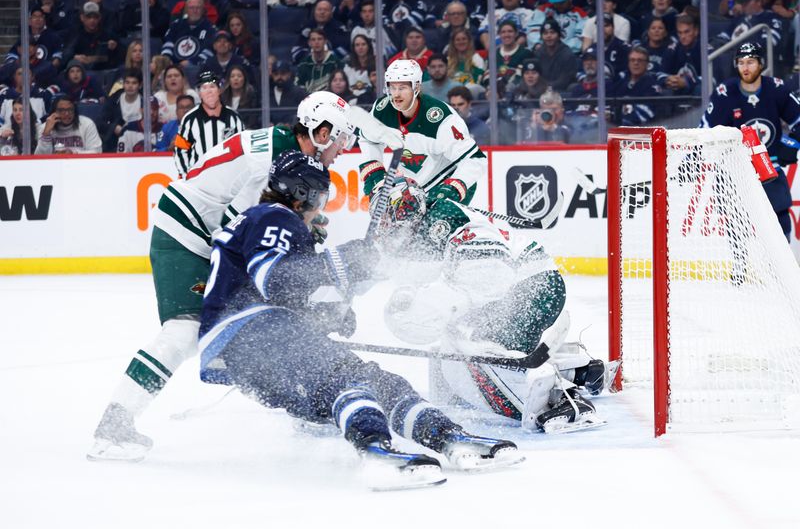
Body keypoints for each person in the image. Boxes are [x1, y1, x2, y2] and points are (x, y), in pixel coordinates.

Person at [87, 91, 404, 462]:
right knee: (185, 330)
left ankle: (309, 402)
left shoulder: (287, 152)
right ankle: (114, 424)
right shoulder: (269, 161)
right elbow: (239, 231)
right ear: (321, 132)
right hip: (185, 237)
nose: (343, 150)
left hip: (203, 230)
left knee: (271, 313)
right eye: (341, 140)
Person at [197, 150, 523, 485]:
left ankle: (445, 435)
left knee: (373, 381)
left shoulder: (262, 220)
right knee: (347, 377)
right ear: (303, 192)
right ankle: (375, 449)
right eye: (321, 196)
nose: (320, 208)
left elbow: (277, 292)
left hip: (249, 349)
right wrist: (344, 260)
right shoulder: (275, 216)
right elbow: (273, 277)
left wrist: (324, 315)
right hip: (252, 331)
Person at [368, 177, 610, 433]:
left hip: (534, 290)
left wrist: (454, 307)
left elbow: (491, 275)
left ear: (405, 207)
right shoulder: (438, 220)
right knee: (477, 341)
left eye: (385, 214)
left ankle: (566, 401)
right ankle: (582, 371)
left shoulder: (441, 220)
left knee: (488, 348)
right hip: (537, 286)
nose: (383, 224)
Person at [700, 42, 800, 240]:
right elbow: (704, 131)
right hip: (737, 171)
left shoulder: (776, 89)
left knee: (779, 225)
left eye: (751, 62)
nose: (745, 68)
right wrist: (692, 158)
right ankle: (739, 270)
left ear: (761, 63)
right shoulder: (724, 94)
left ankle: (780, 271)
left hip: (770, 168)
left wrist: (791, 144)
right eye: (741, 62)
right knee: (738, 231)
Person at [359, 59, 488, 209]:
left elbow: (475, 159)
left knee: (435, 229)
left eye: (402, 87)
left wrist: (452, 187)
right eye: (392, 87)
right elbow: (368, 138)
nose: (396, 94)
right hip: (412, 190)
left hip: (445, 183)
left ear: (417, 87)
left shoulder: (440, 118)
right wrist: (374, 169)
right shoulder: (382, 110)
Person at [174, 70, 245, 176]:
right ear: (199, 93)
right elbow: (180, 150)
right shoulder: (190, 119)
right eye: (204, 87)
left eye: (212, 86)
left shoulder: (234, 118)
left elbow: (243, 149)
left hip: (227, 179)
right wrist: (187, 177)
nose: (209, 91)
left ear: (219, 90)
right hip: (199, 181)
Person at [62, 1, 124, 71]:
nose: (92, 20)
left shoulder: (109, 35)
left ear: (99, 18)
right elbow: (65, 54)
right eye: (89, 17)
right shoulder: (75, 35)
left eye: (95, 17)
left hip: (105, 72)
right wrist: (74, 57)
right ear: (82, 18)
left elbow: (121, 56)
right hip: (82, 73)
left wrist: (115, 48)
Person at [160, 0, 217, 68]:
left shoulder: (210, 28)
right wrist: (167, 57)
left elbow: (210, 50)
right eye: (191, 8)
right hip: (173, 65)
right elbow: (168, 41)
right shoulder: (176, 25)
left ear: (203, 10)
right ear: (186, 10)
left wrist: (192, 62)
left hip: (197, 67)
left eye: (198, 8)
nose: (195, 10)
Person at [35, 96, 102, 154]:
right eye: (61, 110)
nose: (66, 113)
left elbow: (97, 152)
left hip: (81, 165)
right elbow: (39, 159)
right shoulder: (45, 127)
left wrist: (73, 154)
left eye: (70, 109)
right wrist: (46, 134)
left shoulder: (87, 124)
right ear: (54, 112)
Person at [532, 18, 580, 92]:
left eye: (552, 32)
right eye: (545, 33)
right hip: (540, 91)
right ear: (541, 36)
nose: (549, 36)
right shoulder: (538, 53)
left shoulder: (567, 54)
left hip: (562, 91)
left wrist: (547, 87)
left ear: (559, 35)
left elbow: (565, 80)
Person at [295, 29, 342, 94]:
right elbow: (298, 87)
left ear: (325, 41)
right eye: (313, 40)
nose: (316, 42)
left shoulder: (335, 62)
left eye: (319, 39)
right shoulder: (304, 63)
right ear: (309, 43)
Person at [269, 60, 308, 126]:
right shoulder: (266, 94)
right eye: (276, 74)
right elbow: (259, 116)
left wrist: (292, 123)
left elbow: (306, 113)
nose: (279, 77)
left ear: (289, 74)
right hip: (270, 133)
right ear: (272, 75)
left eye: (283, 74)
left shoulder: (299, 92)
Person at [343, 34, 375, 101]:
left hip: (371, 99)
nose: (360, 47)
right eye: (357, 45)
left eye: (363, 44)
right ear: (353, 48)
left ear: (368, 46)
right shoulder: (348, 67)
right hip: (351, 100)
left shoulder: (376, 64)